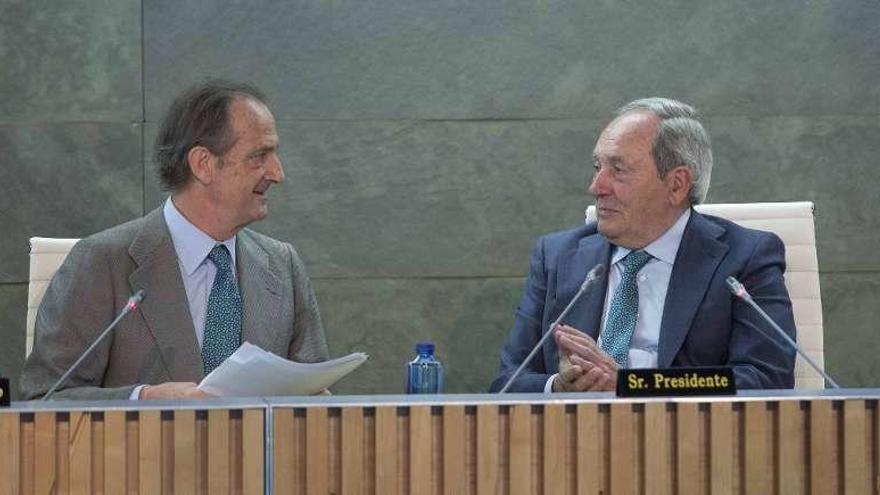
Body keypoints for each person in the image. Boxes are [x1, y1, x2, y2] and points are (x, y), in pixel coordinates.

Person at [21, 81, 329, 400]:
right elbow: (45, 398)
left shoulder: (282, 264)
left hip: (258, 450)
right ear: (203, 164)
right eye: (259, 156)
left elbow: (314, 394)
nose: (277, 173)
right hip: (143, 450)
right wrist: (143, 399)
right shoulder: (101, 262)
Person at [490, 98, 796, 393]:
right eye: (598, 167)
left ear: (676, 185)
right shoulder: (557, 256)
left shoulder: (745, 257)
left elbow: (766, 378)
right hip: (574, 437)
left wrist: (631, 385)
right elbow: (507, 382)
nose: (596, 187)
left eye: (618, 170)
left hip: (688, 440)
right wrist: (559, 386)